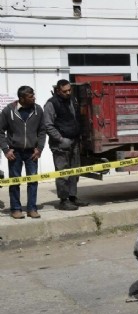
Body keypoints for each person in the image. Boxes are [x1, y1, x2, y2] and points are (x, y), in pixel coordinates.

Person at [0, 86, 46, 219]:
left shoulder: (38, 110)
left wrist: (40, 148)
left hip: (32, 152)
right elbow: (0, 131)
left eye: (33, 95)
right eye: (30, 96)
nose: (34, 98)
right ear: (22, 98)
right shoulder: (9, 110)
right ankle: (15, 209)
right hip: (15, 153)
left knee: (33, 181)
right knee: (15, 181)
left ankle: (32, 208)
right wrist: (6, 149)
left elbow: (42, 130)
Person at [43, 79, 89, 211]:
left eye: (70, 90)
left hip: (74, 142)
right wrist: (61, 139)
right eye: (65, 91)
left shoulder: (73, 100)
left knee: (75, 171)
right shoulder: (51, 104)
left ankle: (73, 197)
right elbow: (48, 125)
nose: (68, 93)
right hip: (60, 145)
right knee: (63, 173)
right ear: (58, 90)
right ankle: (63, 200)